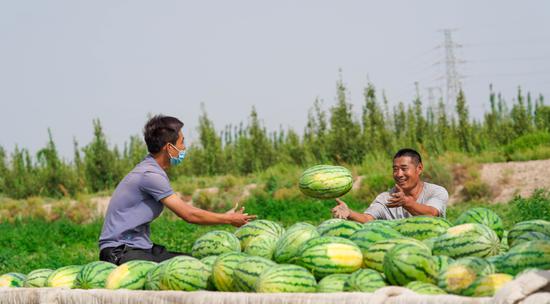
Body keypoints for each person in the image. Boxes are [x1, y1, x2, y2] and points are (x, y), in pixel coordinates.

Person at [99, 115, 256, 265]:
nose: (184, 147)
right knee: (195, 267)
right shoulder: (150, 175)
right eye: (181, 142)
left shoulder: (151, 169)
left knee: (196, 262)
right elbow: (188, 214)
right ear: (169, 147)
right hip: (119, 253)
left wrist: (223, 217)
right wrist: (228, 219)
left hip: (138, 248)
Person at [332, 148, 448, 222]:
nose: (399, 174)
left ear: (419, 168)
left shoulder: (436, 191)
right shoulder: (385, 198)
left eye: (404, 169)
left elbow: (431, 214)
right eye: (395, 169)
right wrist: (349, 213)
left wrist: (406, 202)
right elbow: (367, 219)